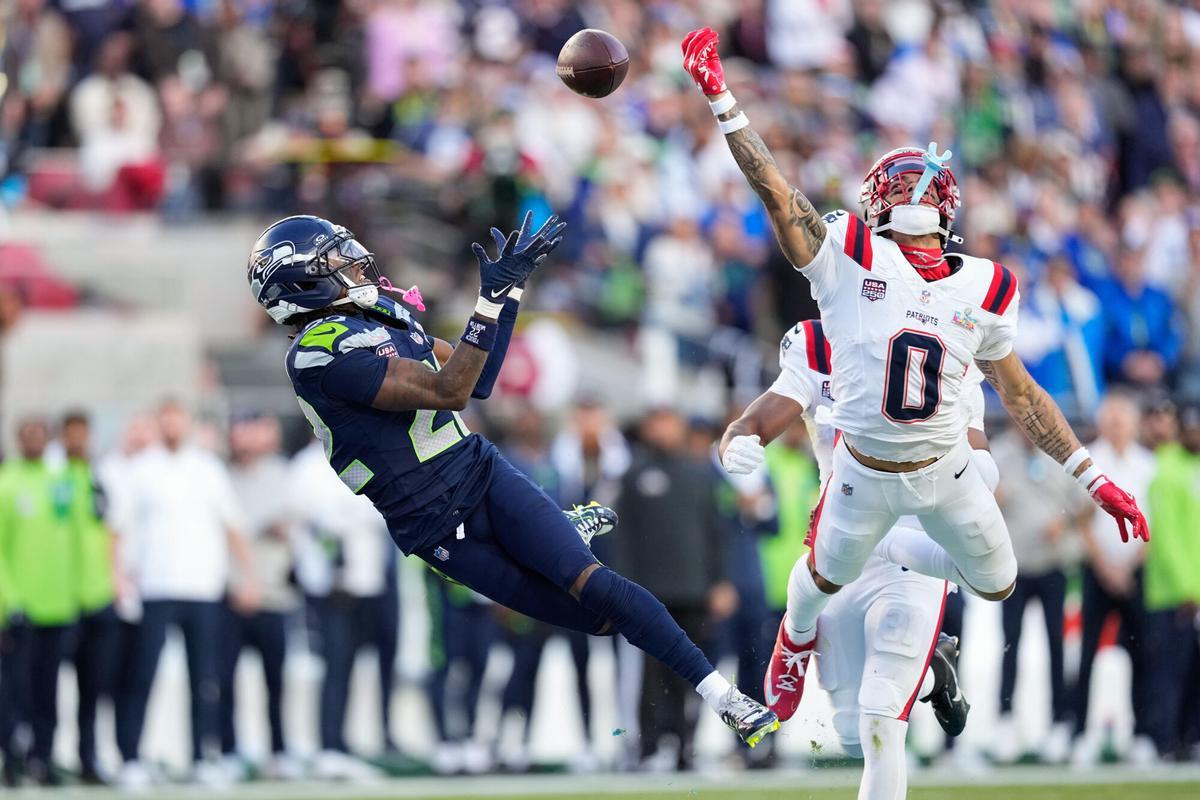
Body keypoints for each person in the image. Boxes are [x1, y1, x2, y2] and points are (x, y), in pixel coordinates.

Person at [681, 27, 1148, 723]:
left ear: (879, 201)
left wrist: (1093, 476)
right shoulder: (853, 255)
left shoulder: (979, 286)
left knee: (996, 580)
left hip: (941, 471)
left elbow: (1020, 394)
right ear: (948, 210)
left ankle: (865, 588)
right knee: (822, 580)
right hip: (863, 470)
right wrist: (722, 100)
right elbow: (780, 198)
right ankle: (795, 639)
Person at [245, 212, 779, 749]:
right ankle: (561, 529)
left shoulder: (380, 318)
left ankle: (725, 698)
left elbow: (479, 381)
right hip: (431, 522)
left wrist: (507, 295)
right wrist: (485, 304)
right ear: (302, 282)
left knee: (597, 586)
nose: (353, 261)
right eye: (334, 259)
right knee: (596, 621)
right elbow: (448, 392)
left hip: (479, 470)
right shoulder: (318, 353)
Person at [721, 319, 977, 799]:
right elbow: (761, 416)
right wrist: (738, 436)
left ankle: (801, 634)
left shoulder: (945, 333)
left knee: (883, 722)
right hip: (844, 535)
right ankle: (928, 670)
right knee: (850, 734)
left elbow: (979, 442)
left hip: (914, 537)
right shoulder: (817, 343)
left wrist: (977, 474)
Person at [112, 400, 260, 789]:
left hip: (202, 588)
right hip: (155, 587)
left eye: (178, 418)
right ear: (160, 424)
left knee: (204, 678)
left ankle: (200, 756)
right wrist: (119, 576)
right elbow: (118, 528)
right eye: (166, 419)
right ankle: (130, 757)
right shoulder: (141, 470)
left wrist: (247, 577)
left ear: (188, 423)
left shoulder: (207, 469)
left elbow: (233, 526)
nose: (173, 425)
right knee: (141, 675)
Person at [0, 418, 80, 786]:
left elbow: (70, 541)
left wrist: (71, 594)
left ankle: (43, 759)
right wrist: (10, 600)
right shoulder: (7, 483)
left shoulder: (58, 483)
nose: (33, 440)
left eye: (39, 434)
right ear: (19, 440)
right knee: (15, 692)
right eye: (27, 434)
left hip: (57, 607)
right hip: (20, 610)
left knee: (49, 691)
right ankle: (12, 759)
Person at [61, 411, 124, 785]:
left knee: (94, 689)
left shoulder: (100, 476)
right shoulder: (56, 479)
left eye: (83, 434)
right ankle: (42, 755)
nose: (79, 441)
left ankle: (89, 757)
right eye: (73, 434)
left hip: (99, 596)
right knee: (45, 688)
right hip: (64, 600)